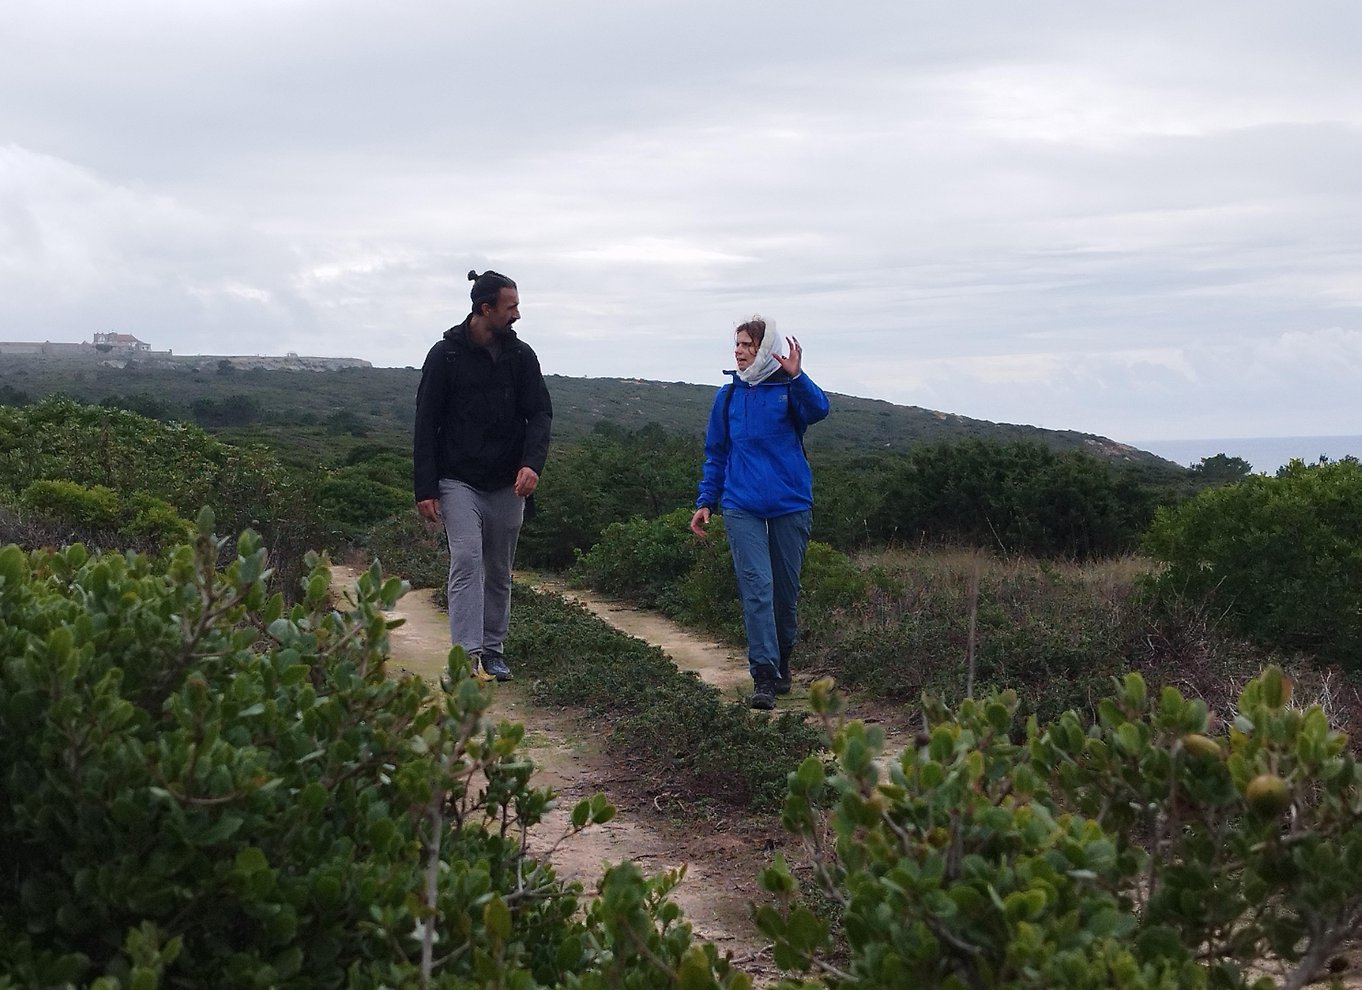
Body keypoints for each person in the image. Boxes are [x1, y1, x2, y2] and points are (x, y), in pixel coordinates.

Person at [413, 269, 552, 683]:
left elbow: (540, 412)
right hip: (457, 480)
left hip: (508, 481)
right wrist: (425, 486)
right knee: (468, 560)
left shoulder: (521, 356)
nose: (518, 315)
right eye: (511, 307)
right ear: (485, 308)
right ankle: (465, 657)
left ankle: (493, 649)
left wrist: (532, 464)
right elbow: (426, 422)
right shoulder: (445, 355)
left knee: (497, 567)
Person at [690, 316, 830, 709]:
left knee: (785, 593)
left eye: (748, 345)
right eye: (737, 344)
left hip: (790, 503)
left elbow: (820, 409)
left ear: (765, 349)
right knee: (757, 589)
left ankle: (783, 660)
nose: (738, 351)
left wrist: (797, 376)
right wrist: (706, 501)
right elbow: (716, 453)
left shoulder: (787, 390)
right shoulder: (729, 396)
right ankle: (764, 675)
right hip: (741, 504)